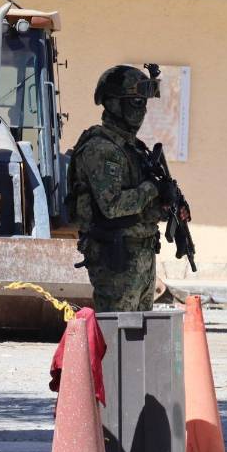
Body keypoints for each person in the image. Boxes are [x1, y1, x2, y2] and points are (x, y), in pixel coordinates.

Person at [67, 64, 178, 313]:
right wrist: (152, 188)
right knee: (116, 337)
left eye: (143, 103)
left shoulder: (134, 148)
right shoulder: (102, 148)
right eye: (135, 102)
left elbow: (141, 208)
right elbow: (113, 206)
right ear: (114, 104)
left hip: (141, 257)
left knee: (138, 342)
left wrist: (164, 203)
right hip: (116, 258)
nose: (142, 110)